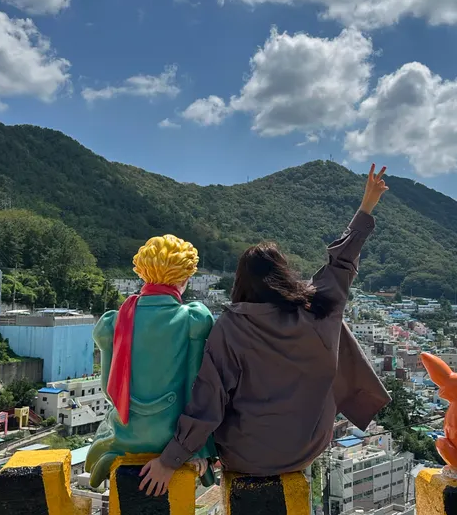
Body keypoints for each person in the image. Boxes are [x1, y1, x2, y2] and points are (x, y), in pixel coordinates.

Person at [139, 164, 391, 496]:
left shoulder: (230, 327)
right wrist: (366, 206)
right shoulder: (318, 310)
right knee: (336, 325)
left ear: (241, 281)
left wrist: (170, 460)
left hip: (244, 457)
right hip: (306, 451)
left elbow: (208, 401)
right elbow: (342, 262)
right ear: (284, 274)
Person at [85, 233, 217, 490]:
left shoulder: (113, 323)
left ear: (143, 274)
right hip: (173, 439)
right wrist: (200, 448)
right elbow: (197, 389)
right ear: (184, 278)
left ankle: (111, 454)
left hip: (126, 435)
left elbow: (109, 390)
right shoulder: (194, 319)